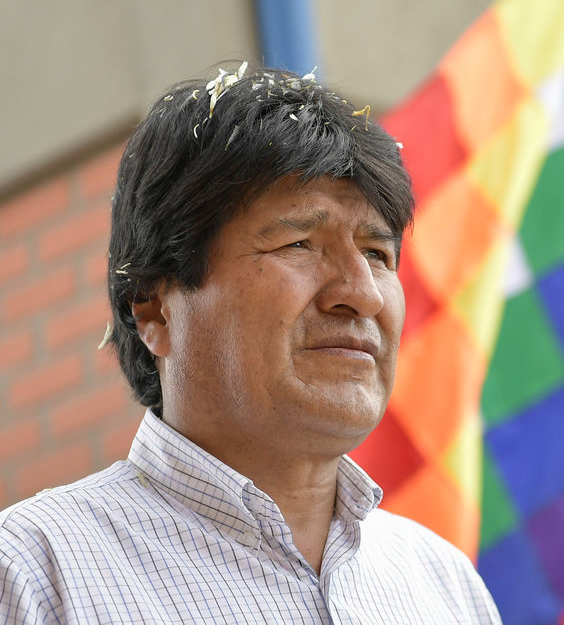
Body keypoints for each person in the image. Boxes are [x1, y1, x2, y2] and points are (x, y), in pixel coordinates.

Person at [0, 63, 501, 624]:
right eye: (298, 243)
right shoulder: (37, 573)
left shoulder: (444, 585)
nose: (362, 294)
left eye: (378, 255)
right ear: (154, 308)